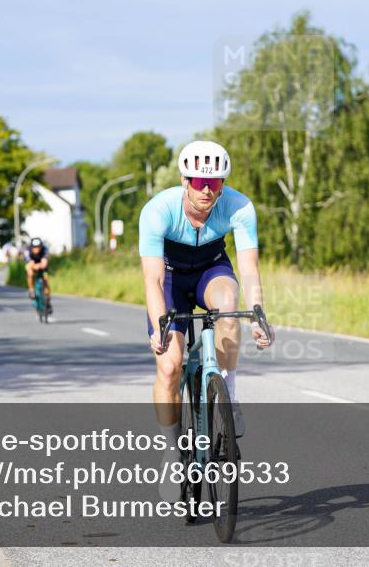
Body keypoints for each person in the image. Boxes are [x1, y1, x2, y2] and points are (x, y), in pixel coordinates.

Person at [139, 140, 273, 499]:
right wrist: (160, 324)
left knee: (229, 305)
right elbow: (151, 279)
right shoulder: (158, 211)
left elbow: (249, 268)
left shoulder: (239, 206)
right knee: (170, 366)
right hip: (169, 277)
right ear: (185, 180)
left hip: (211, 270)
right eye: (200, 182)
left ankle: (227, 392)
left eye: (216, 183)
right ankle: (171, 452)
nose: (208, 191)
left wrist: (258, 314)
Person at [25, 237, 52, 315]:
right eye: (35, 247)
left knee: (46, 278)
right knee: (30, 272)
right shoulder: (28, 250)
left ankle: (47, 299)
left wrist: (40, 265)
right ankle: (31, 290)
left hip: (42, 266)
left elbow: (45, 262)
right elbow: (30, 263)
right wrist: (34, 266)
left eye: (38, 247)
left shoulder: (45, 250)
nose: (37, 249)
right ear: (32, 247)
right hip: (32, 265)